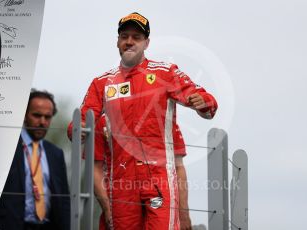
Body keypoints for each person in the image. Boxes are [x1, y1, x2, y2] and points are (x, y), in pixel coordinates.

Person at [68, 12, 218, 230]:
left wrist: (202, 102)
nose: (129, 41)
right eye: (124, 36)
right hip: (121, 182)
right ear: (117, 41)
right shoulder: (101, 82)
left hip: (159, 178)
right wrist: (77, 130)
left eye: (136, 37)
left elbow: (207, 103)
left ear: (146, 43)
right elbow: (81, 120)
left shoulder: (165, 72)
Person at [93, 114, 192, 230]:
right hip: (121, 201)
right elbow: (95, 168)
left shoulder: (165, 120)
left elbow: (178, 167)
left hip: (159, 199)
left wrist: (183, 212)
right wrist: (107, 208)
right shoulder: (105, 121)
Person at [0, 89, 70, 230]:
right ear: (24, 115)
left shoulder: (56, 153)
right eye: (37, 115)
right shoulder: (6, 147)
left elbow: (63, 201)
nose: (42, 122)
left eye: (47, 117)